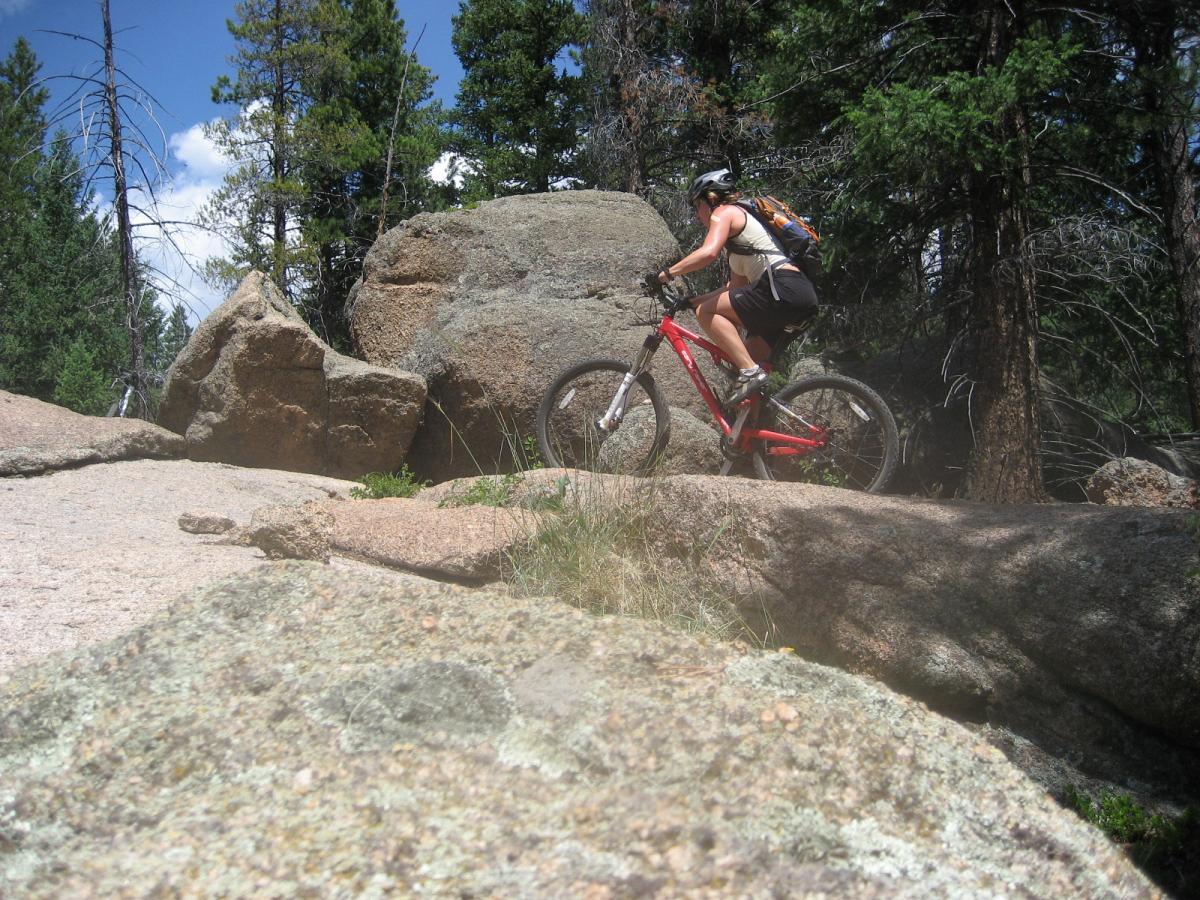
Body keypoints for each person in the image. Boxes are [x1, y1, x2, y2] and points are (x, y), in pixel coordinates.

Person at [653, 168, 819, 405]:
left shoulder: (725, 211)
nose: (697, 214)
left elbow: (708, 252)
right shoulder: (741, 242)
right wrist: (692, 301)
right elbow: (733, 289)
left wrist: (667, 274)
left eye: (696, 206)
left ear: (710, 199)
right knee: (744, 368)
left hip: (783, 288)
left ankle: (750, 372)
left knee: (708, 314)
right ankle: (754, 436)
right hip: (798, 297)